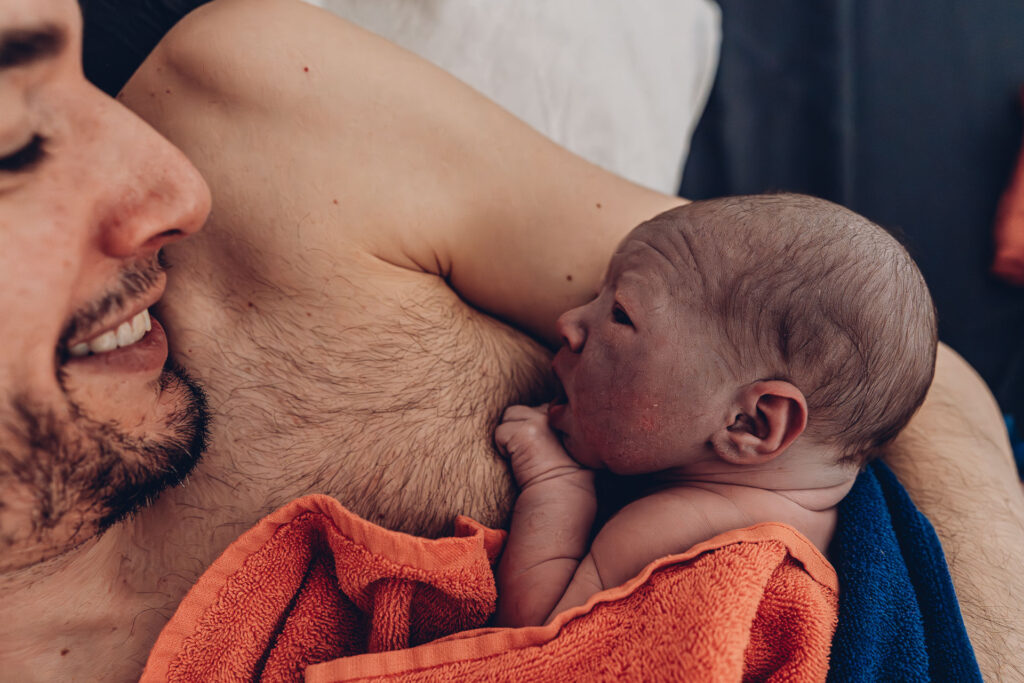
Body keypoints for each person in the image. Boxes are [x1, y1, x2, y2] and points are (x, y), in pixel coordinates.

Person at [0, 0, 1021, 679]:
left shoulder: (254, 119)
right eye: (14, 145)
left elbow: (902, 384)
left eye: (75, 69)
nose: (173, 188)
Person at [494, 195, 936, 626]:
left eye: (620, 315)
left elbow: (535, 637)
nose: (568, 322)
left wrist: (556, 485)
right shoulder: (824, 520)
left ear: (750, 423)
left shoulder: (670, 531)